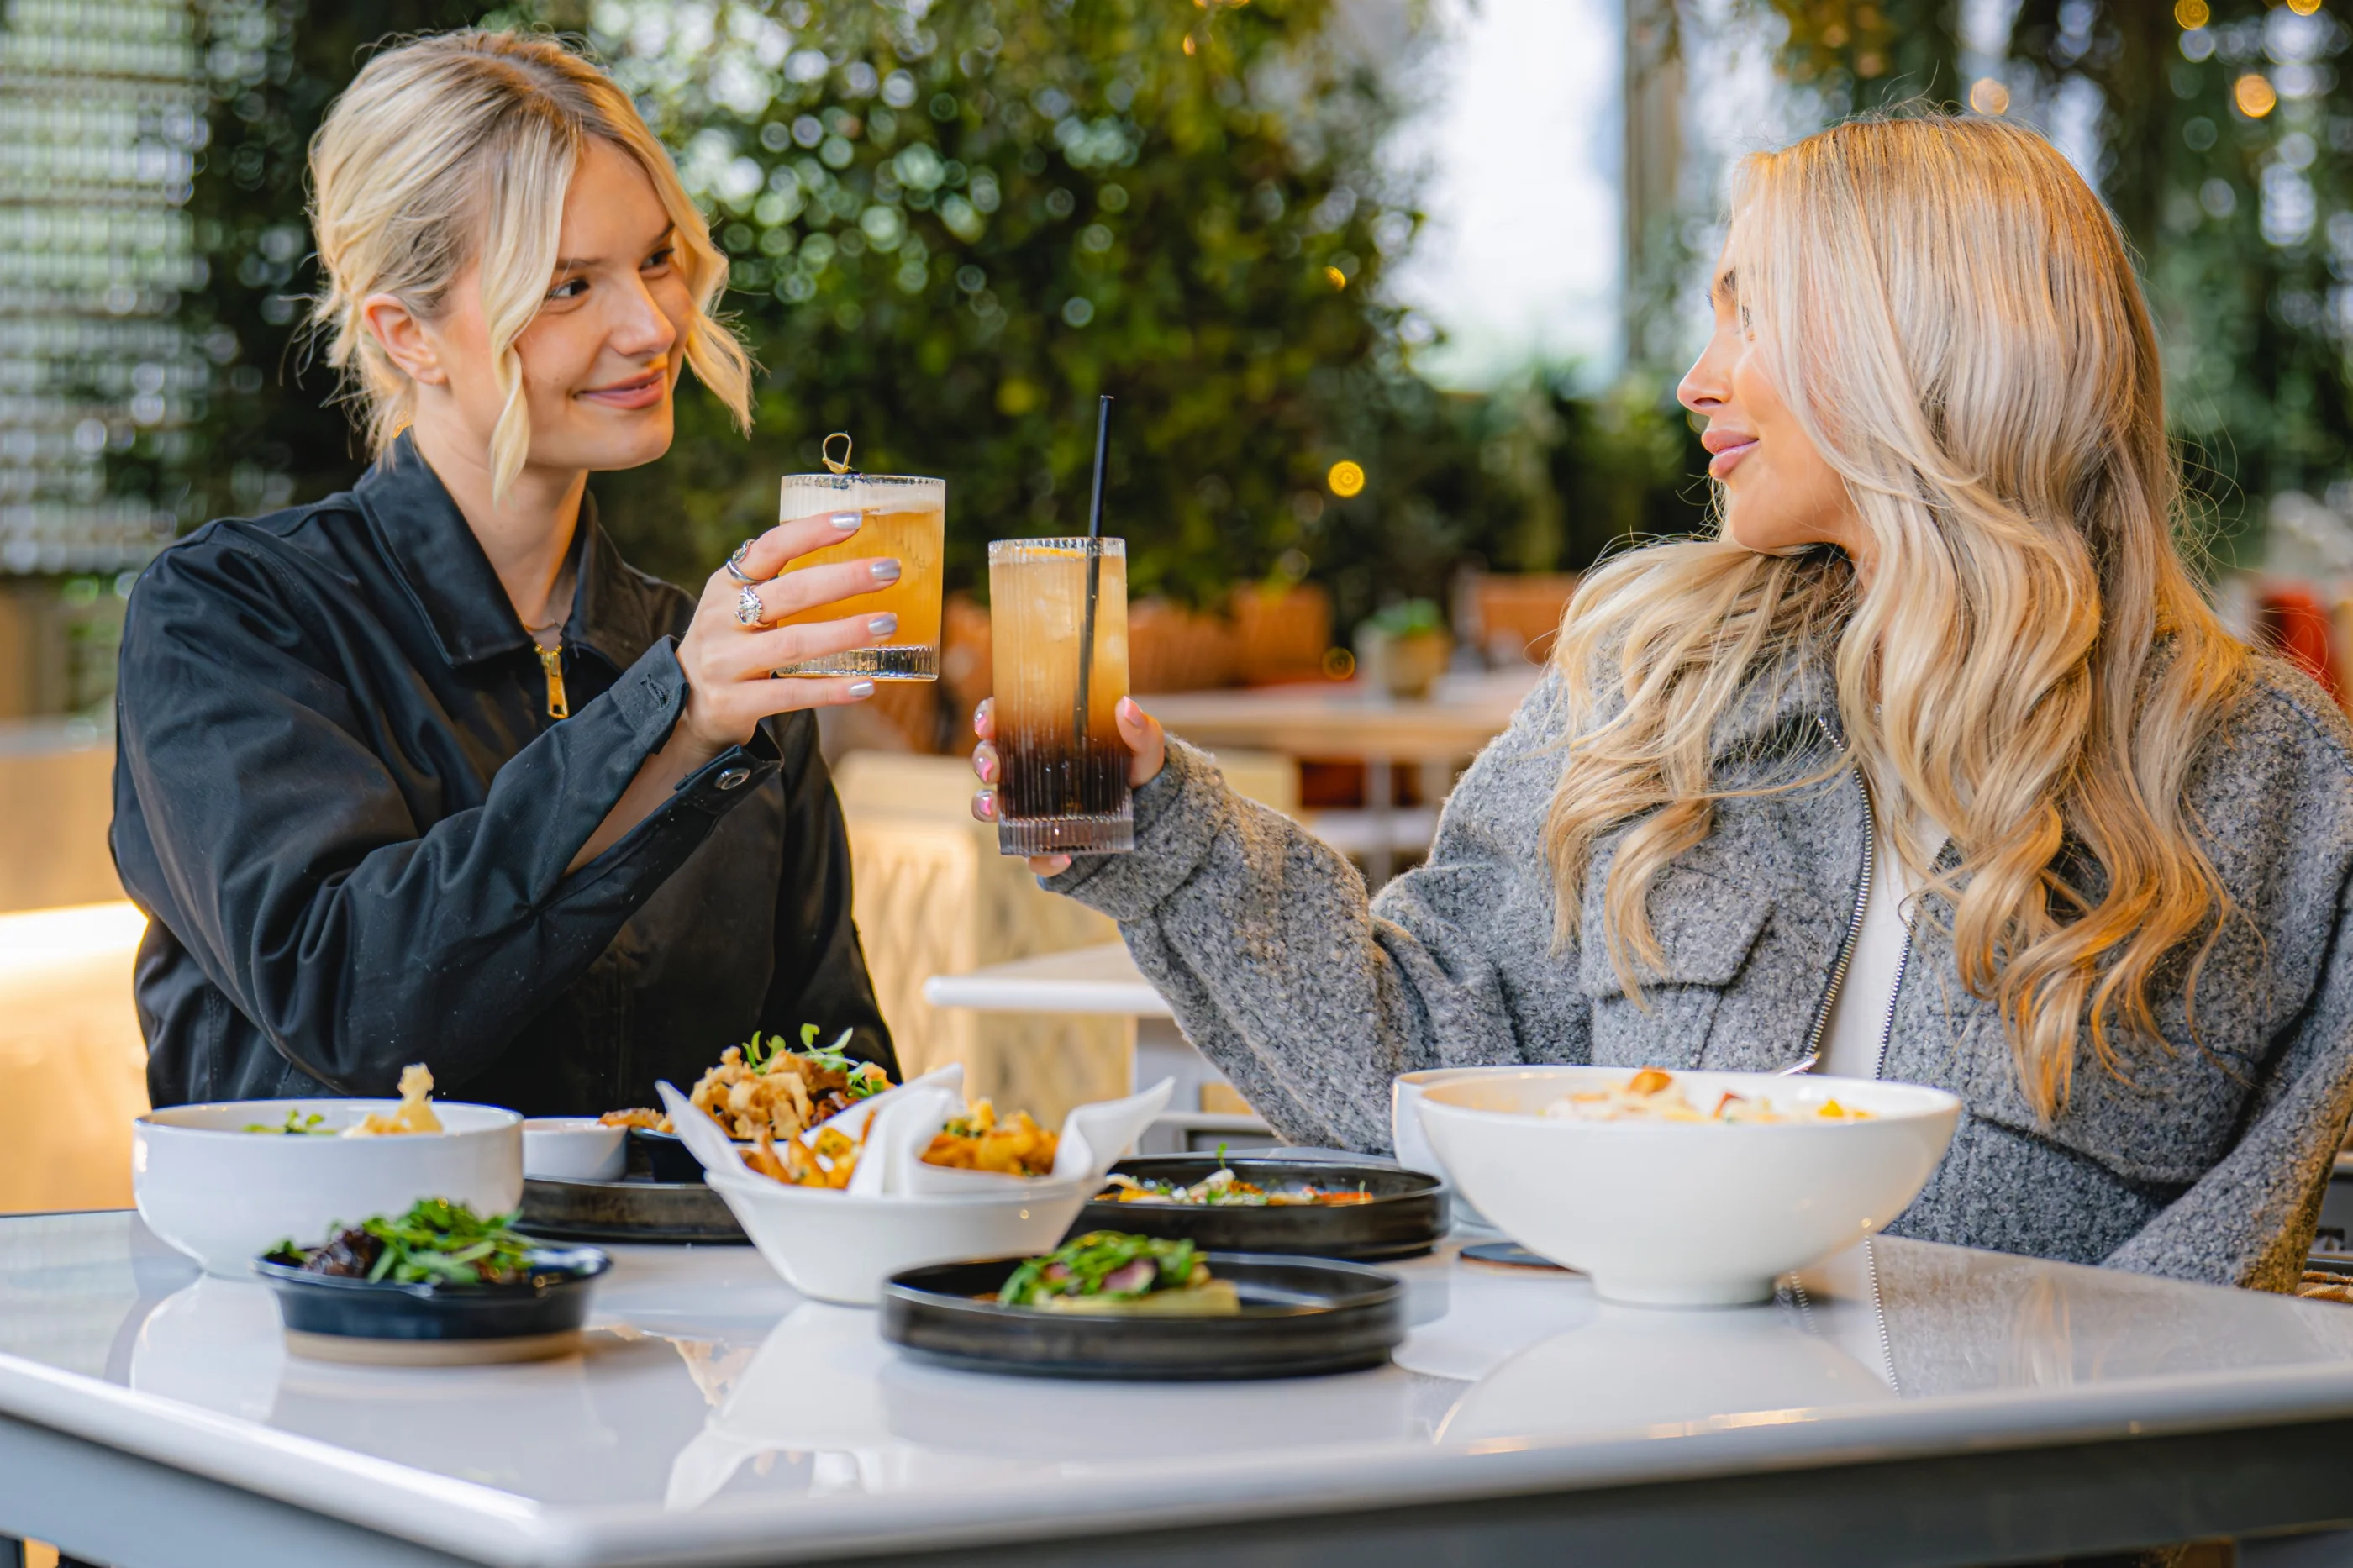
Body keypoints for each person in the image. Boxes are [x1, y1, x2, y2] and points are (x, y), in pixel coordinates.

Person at [975, 115, 2353, 1292]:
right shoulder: (1657, 684)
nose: (1699, 378)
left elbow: (2233, 1264)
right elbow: (1427, 1062)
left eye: (1750, 312)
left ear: (1918, 341)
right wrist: (1169, 836)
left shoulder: (2264, 775)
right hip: (1638, 1456)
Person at [114, 31, 900, 1113]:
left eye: (657, 260)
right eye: (569, 285)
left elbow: (841, 1080)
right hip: (344, 1234)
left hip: (683, 1240)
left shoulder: (729, 669)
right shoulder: (229, 616)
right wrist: (670, 722)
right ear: (408, 333)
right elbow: (351, 1008)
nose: (651, 325)